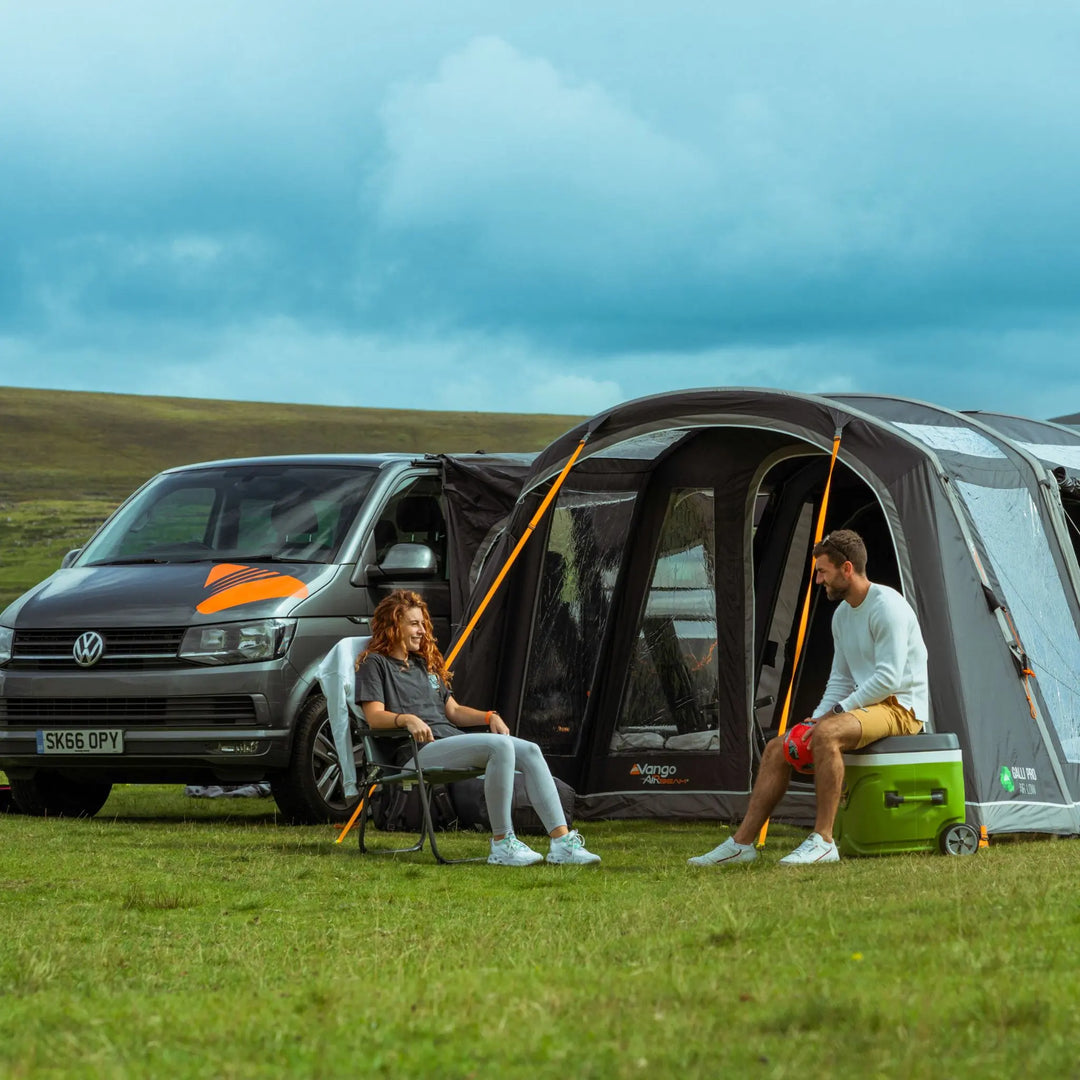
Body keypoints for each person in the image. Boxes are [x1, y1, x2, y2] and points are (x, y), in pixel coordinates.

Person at [689, 529, 928, 867]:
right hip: (867, 706)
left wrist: (833, 717)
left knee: (827, 734)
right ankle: (742, 845)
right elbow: (841, 678)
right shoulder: (843, 615)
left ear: (847, 569)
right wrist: (816, 718)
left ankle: (824, 841)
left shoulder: (886, 606)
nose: (818, 579)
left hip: (901, 707)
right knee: (776, 748)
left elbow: (888, 679)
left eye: (822, 571)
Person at [356, 589, 601, 867]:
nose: (422, 630)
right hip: (415, 753)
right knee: (499, 746)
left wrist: (489, 716)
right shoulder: (373, 664)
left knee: (530, 750)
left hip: (448, 743)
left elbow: (455, 712)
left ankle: (562, 843)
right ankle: (502, 843)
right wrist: (406, 719)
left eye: (423, 624)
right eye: (414, 624)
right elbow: (374, 717)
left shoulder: (424, 664)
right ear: (393, 625)